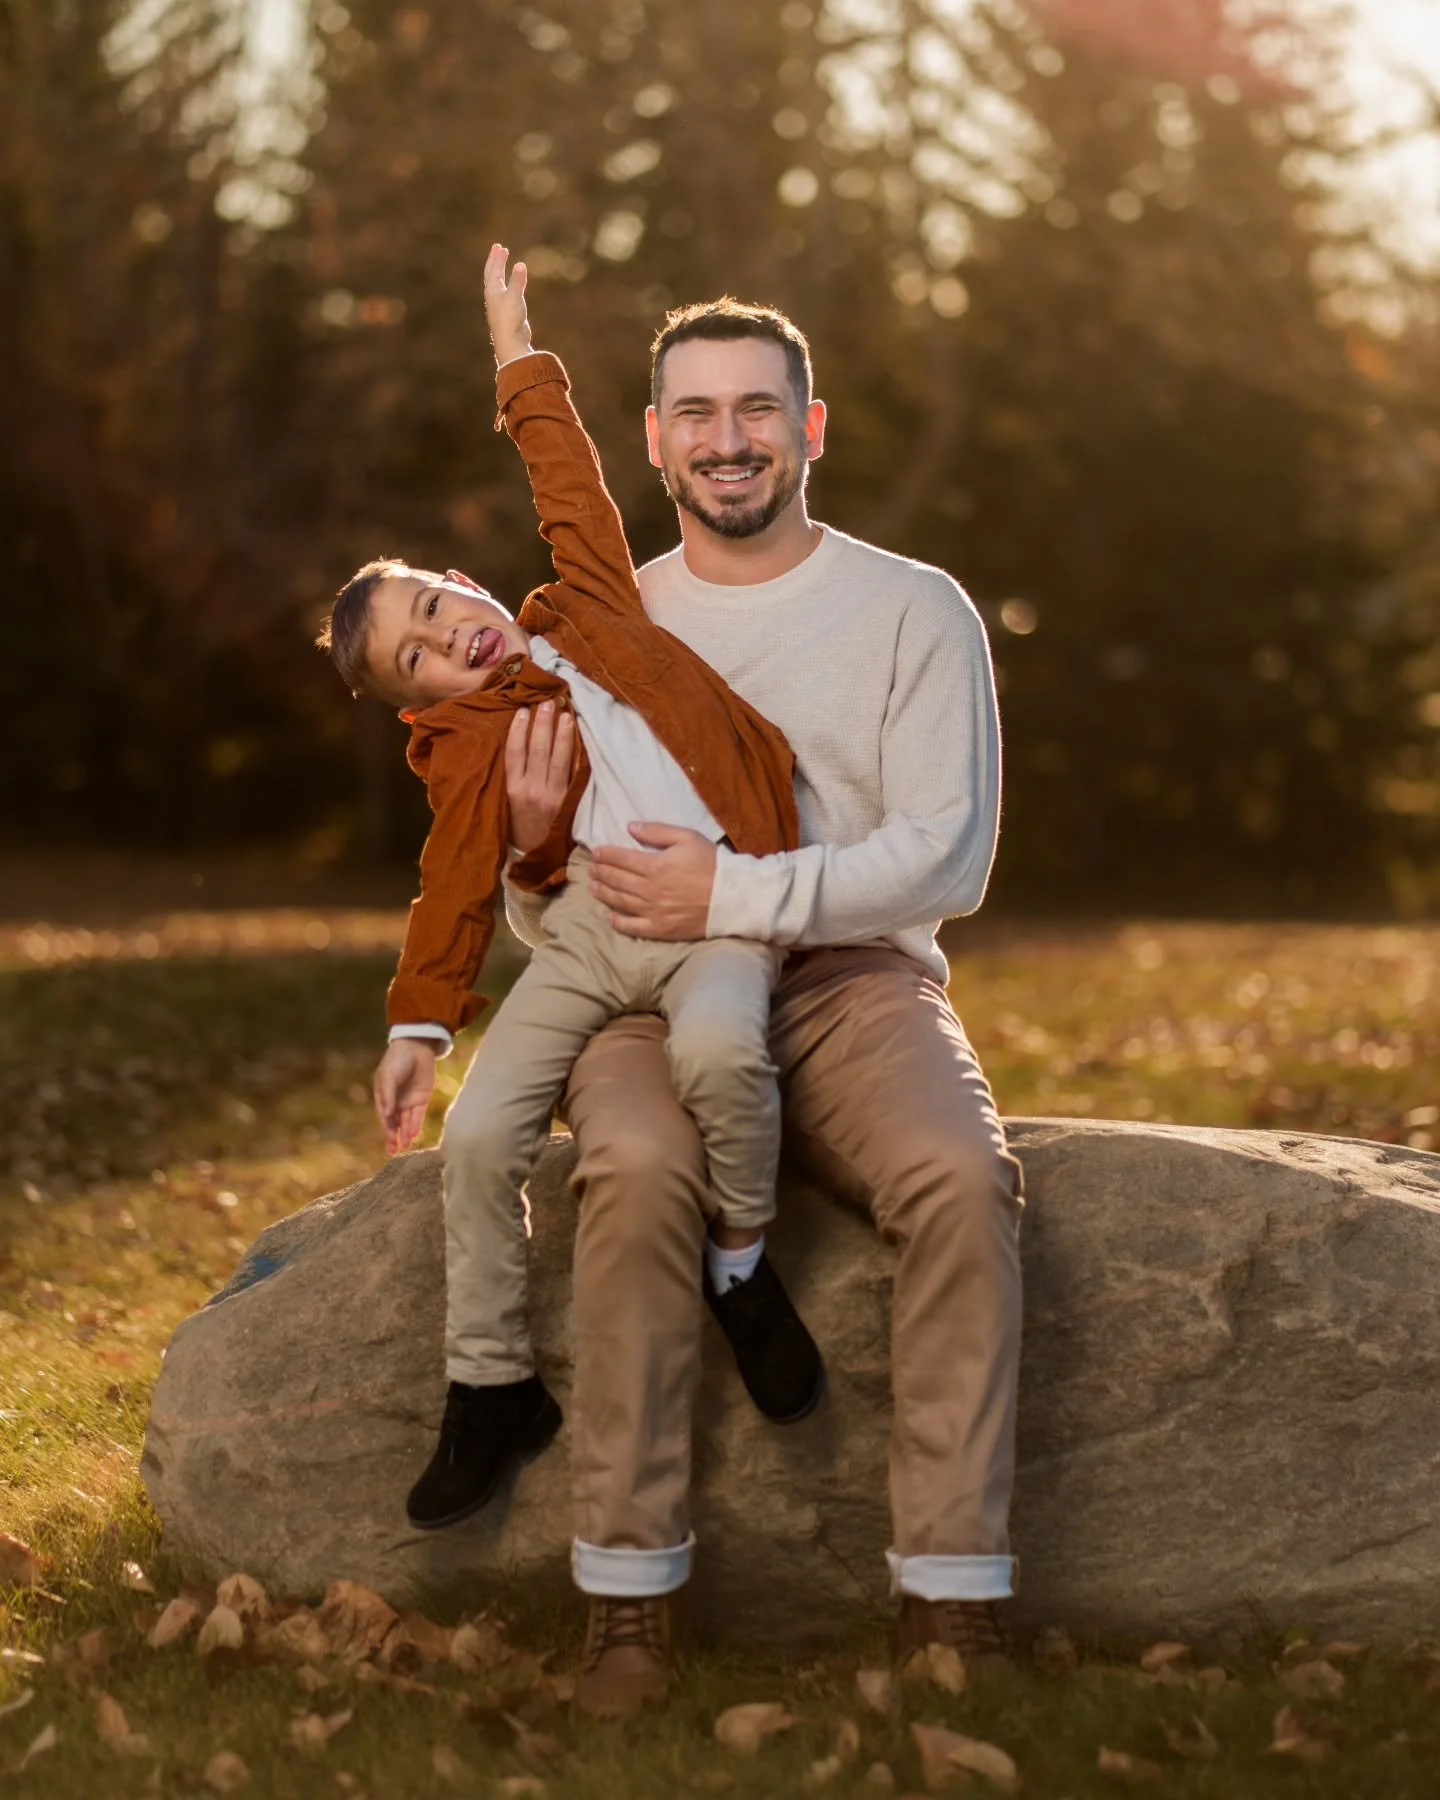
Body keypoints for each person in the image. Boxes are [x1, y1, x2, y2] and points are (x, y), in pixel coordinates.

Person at [500, 298, 1023, 1718]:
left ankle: (952, 1606)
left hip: (853, 980)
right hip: (640, 1003)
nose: (728, 440)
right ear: (656, 444)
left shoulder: (914, 607)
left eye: (756, 409)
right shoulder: (600, 624)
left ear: (810, 426)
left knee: (961, 1178)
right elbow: (545, 923)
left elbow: (949, 856)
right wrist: (538, 845)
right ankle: (624, 1613)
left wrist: (733, 896)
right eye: (696, 414)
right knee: (640, 1169)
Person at [315, 249, 824, 1535]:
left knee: (719, 1046)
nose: (446, 639)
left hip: (716, 899)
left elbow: (565, 474)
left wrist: (514, 353)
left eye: (436, 606)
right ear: (420, 700)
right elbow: (454, 891)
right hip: (590, 937)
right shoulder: (465, 749)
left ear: (468, 581)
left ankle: (742, 1261)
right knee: (479, 1140)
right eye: (418, 658)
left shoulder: (585, 597)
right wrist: (417, 1030)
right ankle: (489, 1385)